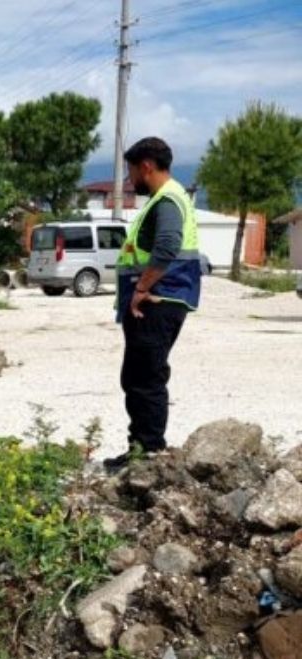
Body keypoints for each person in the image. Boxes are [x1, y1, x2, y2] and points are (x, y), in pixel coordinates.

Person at [104, 137, 202, 474]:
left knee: (145, 377)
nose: (131, 180)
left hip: (157, 300)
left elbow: (167, 246)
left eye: (132, 171)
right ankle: (141, 449)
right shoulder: (169, 197)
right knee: (138, 375)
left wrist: (142, 288)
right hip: (162, 299)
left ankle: (148, 453)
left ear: (146, 165)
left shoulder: (167, 200)